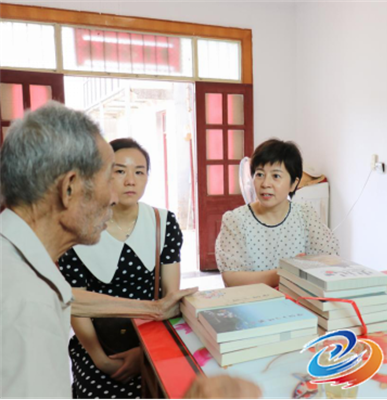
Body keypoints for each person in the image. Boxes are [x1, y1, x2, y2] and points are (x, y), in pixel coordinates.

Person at [0, 102, 261, 399]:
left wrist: (154, 308)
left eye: (139, 172)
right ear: (69, 188)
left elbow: (69, 296)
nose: (115, 197)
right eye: (108, 178)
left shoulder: (20, 259)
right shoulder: (24, 305)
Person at [57, 138, 181, 399]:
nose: (130, 181)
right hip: (99, 344)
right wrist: (102, 361)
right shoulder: (80, 228)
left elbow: (170, 297)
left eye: (139, 172)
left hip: (153, 338)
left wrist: (145, 352)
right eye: (120, 171)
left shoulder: (163, 222)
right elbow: (76, 306)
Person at [216, 139, 339, 287]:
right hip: (252, 300)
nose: (265, 184)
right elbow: (231, 279)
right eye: (259, 174)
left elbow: (329, 260)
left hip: (297, 299)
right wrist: (286, 272)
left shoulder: (305, 216)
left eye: (276, 176)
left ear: (293, 184)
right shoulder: (235, 220)